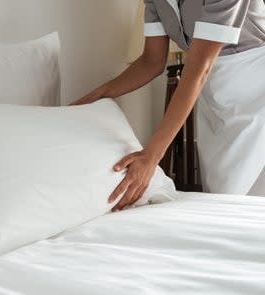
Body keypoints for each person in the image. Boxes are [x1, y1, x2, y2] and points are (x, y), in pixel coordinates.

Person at [71, 0, 265, 211]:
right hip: (214, 97)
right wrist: (95, 96)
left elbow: (200, 65)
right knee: (222, 200)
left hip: (257, 89)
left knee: (236, 200)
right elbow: (151, 61)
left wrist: (151, 156)